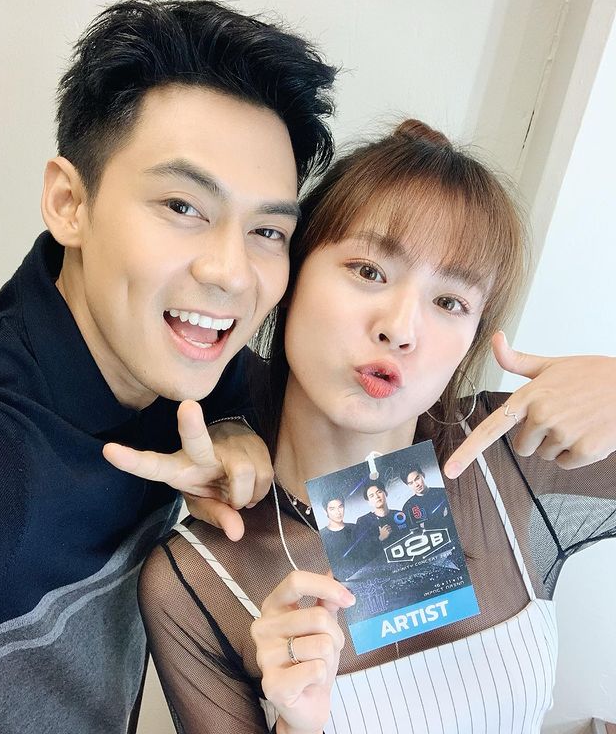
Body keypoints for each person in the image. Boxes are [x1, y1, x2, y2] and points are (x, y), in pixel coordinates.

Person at [136, 119, 616, 733]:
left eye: (450, 302)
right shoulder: (198, 577)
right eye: (368, 271)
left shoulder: (512, 449)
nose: (400, 328)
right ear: (290, 277)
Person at [0, 0, 336, 734]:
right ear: (69, 202)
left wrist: (233, 423)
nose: (231, 273)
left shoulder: (187, 361)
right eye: (182, 206)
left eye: (268, 230)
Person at [319, 495, 356, 576]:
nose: (338, 512)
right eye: (332, 509)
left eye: (340, 507)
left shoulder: (355, 528)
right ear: (326, 511)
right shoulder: (322, 535)